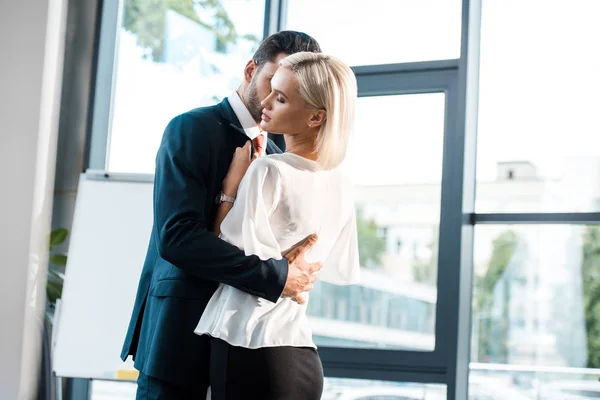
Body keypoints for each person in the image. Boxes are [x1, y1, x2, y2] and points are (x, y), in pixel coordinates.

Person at [120, 31, 323, 400]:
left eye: (290, 93)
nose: (275, 101)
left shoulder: (279, 156)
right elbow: (178, 238)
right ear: (250, 70)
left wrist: (292, 272)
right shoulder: (191, 128)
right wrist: (277, 275)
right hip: (179, 345)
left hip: (246, 355)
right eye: (271, 84)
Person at [195, 52, 360, 400]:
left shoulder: (268, 170)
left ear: (316, 117)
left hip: (250, 343)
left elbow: (224, 254)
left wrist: (229, 188)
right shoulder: (342, 182)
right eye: (271, 90)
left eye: (281, 98)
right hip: (301, 354)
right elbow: (325, 269)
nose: (266, 101)